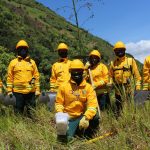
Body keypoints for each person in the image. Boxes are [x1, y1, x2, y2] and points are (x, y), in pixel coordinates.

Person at [55, 59, 99, 142]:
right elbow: (59, 103)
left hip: (81, 116)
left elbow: (92, 105)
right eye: (73, 71)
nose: (76, 73)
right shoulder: (63, 86)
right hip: (68, 117)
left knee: (95, 116)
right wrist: (61, 116)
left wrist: (86, 117)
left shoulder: (88, 87)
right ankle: (75, 131)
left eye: (78, 70)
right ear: (70, 72)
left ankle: (88, 135)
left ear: (83, 72)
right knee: (65, 141)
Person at [7, 40, 40, 117]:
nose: (23, 50)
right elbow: (10, 77)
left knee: (32, 113)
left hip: (31, 93)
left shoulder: (32, 62)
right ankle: (19, 127)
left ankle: (32, 127)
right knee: (18, 113)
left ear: (27, 50)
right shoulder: (13, 63)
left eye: (24, 48)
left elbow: (36, 76)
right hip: (17, 93)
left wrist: (37, 89)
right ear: (17, 50)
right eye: (20, 48)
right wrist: (9, 90)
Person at [109, 41, 141, 116]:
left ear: (124, 50)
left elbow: (137, 76)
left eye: (121, 50)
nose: (119, 52)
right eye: (117, 50)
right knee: (119, 109)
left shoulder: (131, 61)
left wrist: (138, 86)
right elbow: (110, 76)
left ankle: (131, 121)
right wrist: (110, 82)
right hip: (118, 90)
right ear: (115, 52)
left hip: (129, 89)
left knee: (130, 108)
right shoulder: (113, 63)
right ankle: (120, 121)